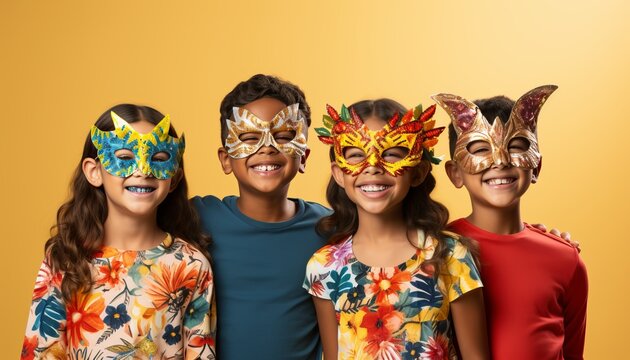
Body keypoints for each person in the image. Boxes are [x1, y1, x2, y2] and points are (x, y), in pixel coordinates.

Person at [22, 104, 216, 359]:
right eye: (125, 157)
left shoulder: (191, 265)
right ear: (94, 171)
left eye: (158, 160)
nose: (143, 170)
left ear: (174, 179)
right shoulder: (67, 258)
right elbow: (41, 351)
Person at [304, 99, 490, 359]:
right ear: (338, 173)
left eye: (391, 153)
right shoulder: (323, 267)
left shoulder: (451, 255)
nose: (372, 166)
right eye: (356, 154)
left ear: (418, 172)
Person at [434, 86, 588, 359]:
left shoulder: (566, 259)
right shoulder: (436, 250)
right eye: (480, 149)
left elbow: (573, 352)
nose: (501, 161)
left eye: (516, 147)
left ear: (536, 167)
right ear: (455, 173)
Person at [192, 74, 330, 359]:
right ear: (225, 159)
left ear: (303, 157)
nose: (267, 147)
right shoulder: (196, 217)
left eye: (283, 136)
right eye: (249, 137)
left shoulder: (329, 228)